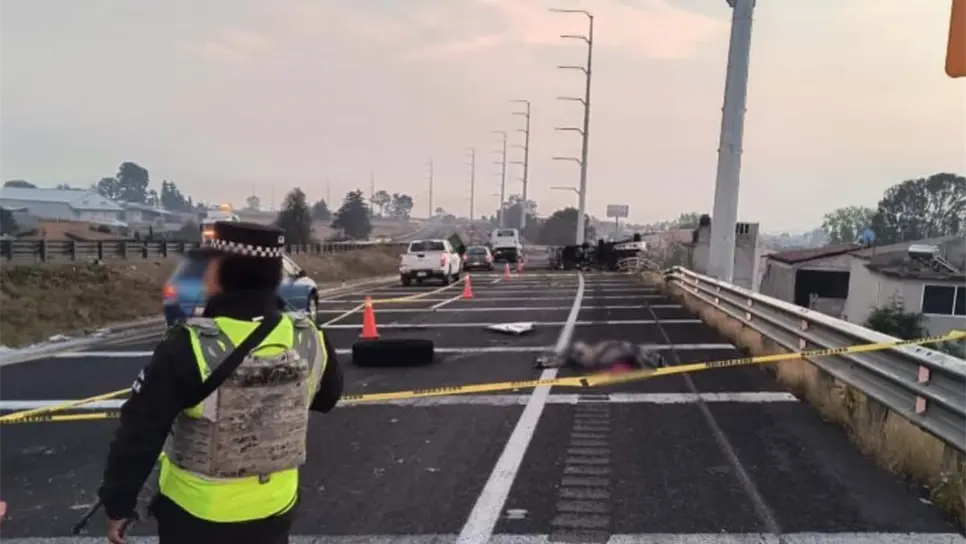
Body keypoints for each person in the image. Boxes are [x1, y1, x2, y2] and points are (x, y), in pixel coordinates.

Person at [97, 221, 344, 544]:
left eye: (211, 263)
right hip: (275, 506)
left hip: (196, 514)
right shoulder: (308, 335)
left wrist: (119, 503)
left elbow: (140, 432)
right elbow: (327, 398)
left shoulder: (189, 345)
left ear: (225, 272)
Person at [536, 339, 666, 372]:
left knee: (569, 359)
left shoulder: (630, 353)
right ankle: (547, 362)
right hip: (599, 356)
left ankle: (547, 362)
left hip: (600, 357)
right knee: (570, 359)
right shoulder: (631, 352)